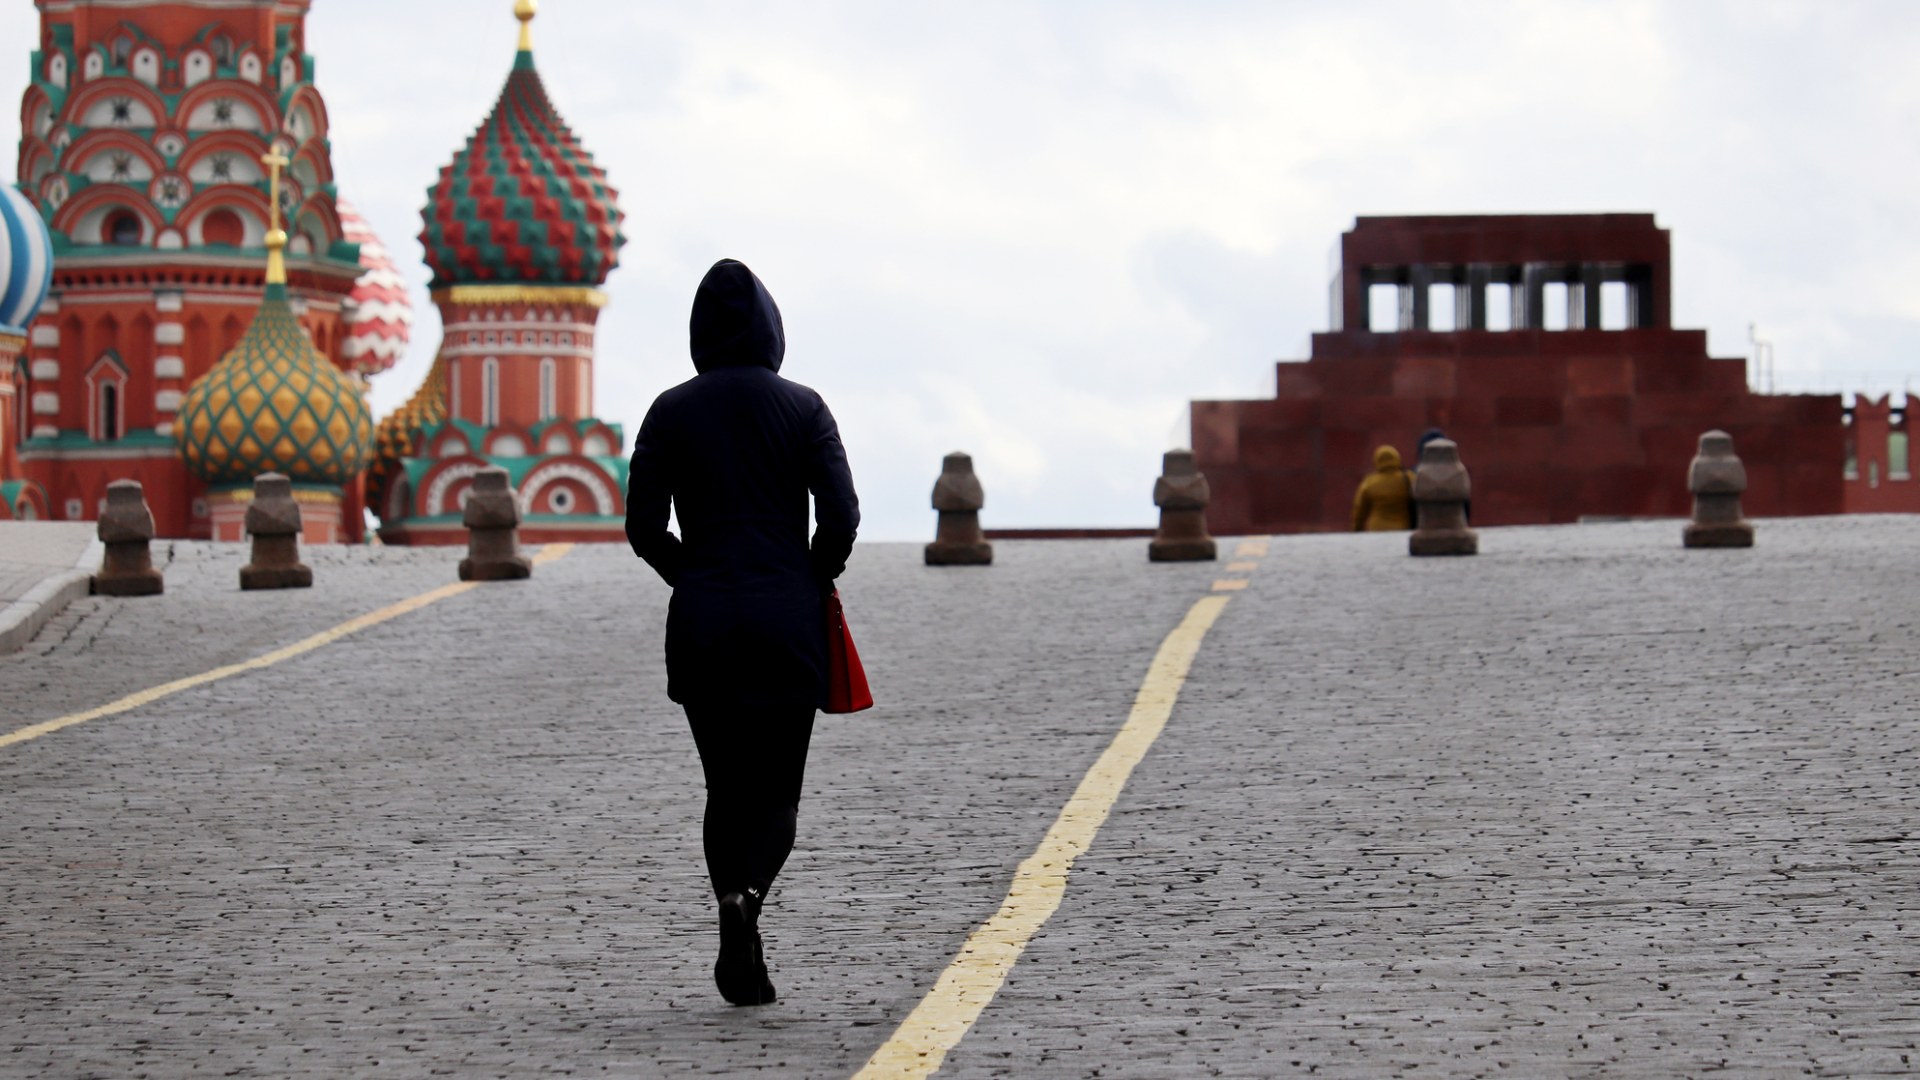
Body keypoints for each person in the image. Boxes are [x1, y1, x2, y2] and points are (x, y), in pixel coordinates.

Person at [625, 259, 860, 1007]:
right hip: (787, 619)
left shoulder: (669, 410)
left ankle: (730, 905)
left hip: (704, 620)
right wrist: (813, 570)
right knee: (778, 791)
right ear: (771, 328)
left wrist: (687, 574)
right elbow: (843, 512)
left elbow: (641, 525)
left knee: (724, 786)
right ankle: (748, 903)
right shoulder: (805, 407)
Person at [1351, 444, 1414, 531]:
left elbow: (1359, 510)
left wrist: (1356, 530)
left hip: (1376, 529)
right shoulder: (1409, 478)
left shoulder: (1369, 482)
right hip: (1402, 528)